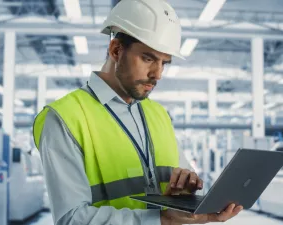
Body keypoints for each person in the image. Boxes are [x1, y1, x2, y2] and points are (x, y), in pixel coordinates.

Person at [32, 0, 243, 224]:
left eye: (164, 63)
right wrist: (160, 220)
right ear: (115, 50)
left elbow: (180, 185)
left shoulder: (159, 114)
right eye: (148, 58)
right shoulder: (65, 117)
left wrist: (188, 193)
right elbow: (71, 219)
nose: (157, 74)